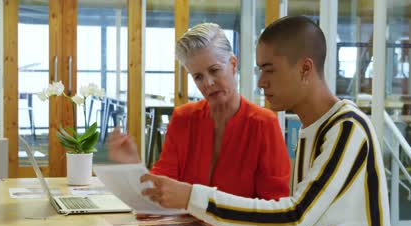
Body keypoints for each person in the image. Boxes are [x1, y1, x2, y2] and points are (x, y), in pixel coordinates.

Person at [140, 16, 393, 226]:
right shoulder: (312, 131)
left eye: (269, 70)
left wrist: (193, 198)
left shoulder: (347, 128)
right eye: (260, 70)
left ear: (305, 69)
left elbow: (295, 219)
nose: (261, 82)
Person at [108, 23, 291, 215]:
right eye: (198, 77)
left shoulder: (263, 124)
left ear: (233, 65)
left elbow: (275, 207)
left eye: (214, 70)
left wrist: (224, 217)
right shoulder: (183, 118)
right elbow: (163, 183)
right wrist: (133, 167)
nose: (208, 83)